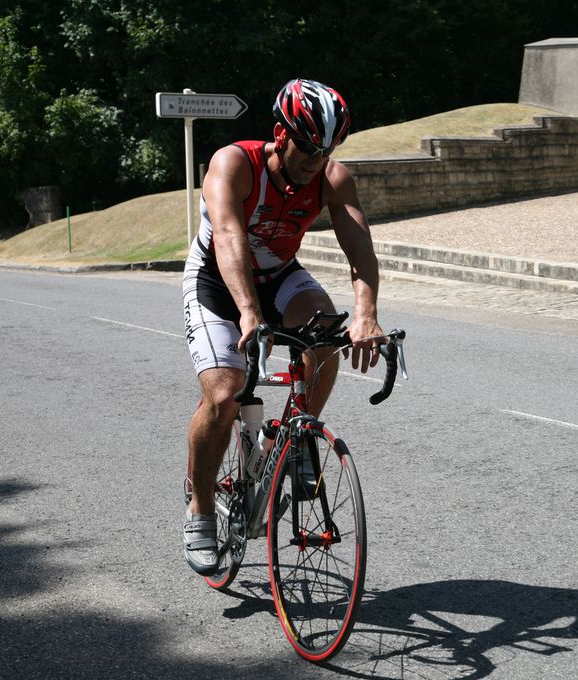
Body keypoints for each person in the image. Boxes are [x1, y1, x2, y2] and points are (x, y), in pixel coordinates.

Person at [180, 78, 383, 575]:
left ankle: (289, 443)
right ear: (280, 133)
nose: (316, 159)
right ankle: (201, 509)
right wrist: (248, 309)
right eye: (308, 147)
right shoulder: (235, 163)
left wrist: (366, 315)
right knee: (225, 395)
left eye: (326, 149)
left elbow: (360, 249)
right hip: (216, 278)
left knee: (326, 332)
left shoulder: (332, 178)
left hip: (279, 276)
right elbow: (228, 237)